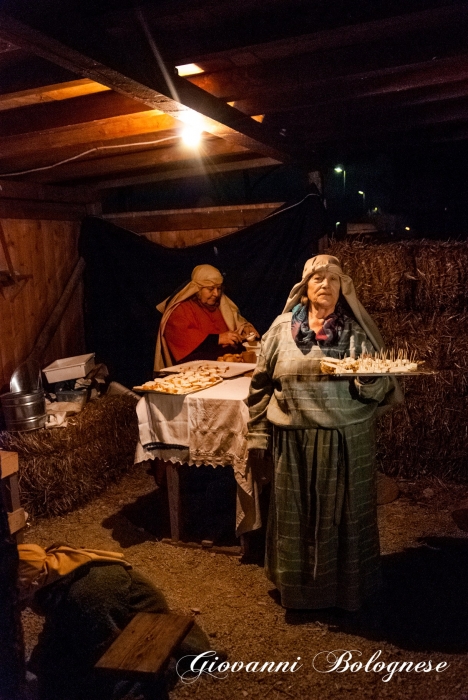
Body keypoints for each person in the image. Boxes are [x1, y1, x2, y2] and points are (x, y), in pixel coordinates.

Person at [246, 254, 402, 612]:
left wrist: (371, 378)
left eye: (333, 280)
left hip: (343, 439)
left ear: (341, 288)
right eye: (318, 279)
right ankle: (299, 595)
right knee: (296, 518)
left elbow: (376, 389)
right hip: (294, 441)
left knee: (342, 517)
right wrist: (257, 435)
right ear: (304, 288)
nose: (326, 286)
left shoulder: (353, 332)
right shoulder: (279, 331)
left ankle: (344, 593)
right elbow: (259, 387)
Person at [18, 543, 218, 700]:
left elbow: (102, 647)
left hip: (143, 631)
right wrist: (38, 666)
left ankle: (167, 669)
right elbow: (54, 631)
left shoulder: (89, 592)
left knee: (104, 684)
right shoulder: (60, 584)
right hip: (111, 627)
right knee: (54, 670)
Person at [154, 264, 258, 370]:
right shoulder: (179, 310)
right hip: (195, 372)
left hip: (227, 368)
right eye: (210, 289)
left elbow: (236, 322)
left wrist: (245, 329)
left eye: (219, 288)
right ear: (197, 289)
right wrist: (218, 339)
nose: (216, 294)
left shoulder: (221, 305)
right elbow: (185, 345)